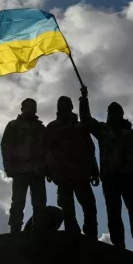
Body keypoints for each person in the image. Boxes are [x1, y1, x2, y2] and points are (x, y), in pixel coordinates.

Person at [79, 85, 133, 256]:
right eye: (111, 112)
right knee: (114, 214)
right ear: (108, 114)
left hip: (130, 178)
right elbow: (87, 120)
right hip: (110, 178)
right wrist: (84, 99)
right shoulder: (103, 130)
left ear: (121, 114)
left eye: (117, 112)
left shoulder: (132, 134)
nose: (115, 115)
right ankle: (119, 248)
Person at [45, 95, 100, 238]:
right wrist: (49, 170)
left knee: (89, 206)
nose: (65, 108)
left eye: (67, 105)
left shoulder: (80, 127)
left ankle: (91, 234)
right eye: (62, 105)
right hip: (62, 175)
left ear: (71, 107)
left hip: (81, 173)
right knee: (68, 207)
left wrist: (94, 170)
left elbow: (90, 149)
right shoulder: (52, 127)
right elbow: (46, 150)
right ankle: (72, 232)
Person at [1, 98, 47, 233]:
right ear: (22, 108)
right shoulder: (13, 126)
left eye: (33, 107)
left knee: (39, 204)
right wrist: (8, 167)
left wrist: (47, 168)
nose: (30, 109)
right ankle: (15, 230)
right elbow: (6, 146)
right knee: (18, 203)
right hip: (19, 170)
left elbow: (47, 149)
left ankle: (38, 230)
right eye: (27, 107)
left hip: (37, 171)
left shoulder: (40, 128)